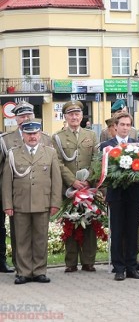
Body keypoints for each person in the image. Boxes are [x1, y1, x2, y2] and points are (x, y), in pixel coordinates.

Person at [2, 121, 62, 284]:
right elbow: (7, 182)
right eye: (29, 134)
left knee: (40, 238)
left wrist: (55, 202)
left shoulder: (49, 153)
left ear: (40, 134)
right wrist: (7, 204)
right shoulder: (13, 153)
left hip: (42, 201)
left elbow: (56, 180)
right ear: (24, 135)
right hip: (20, 203)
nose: (32, 137)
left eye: (35, 133)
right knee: (21, 239)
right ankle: (23, 272)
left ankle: (39, 271)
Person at [0, 101, 52, 273]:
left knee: (40, 236)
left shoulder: (45, 138)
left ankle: (38, 270)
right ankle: (21, 269)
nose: (25, 118)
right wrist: (6, 200)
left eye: (28, 115)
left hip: (40, 196)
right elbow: (4, 172)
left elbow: (53, 170)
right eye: (22, 116)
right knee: (19, 236)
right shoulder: (6, 140)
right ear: (16, 119)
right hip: (18, 196)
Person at [52, 101, 99, 273]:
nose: (74, 117)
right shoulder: (58, 137)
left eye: (77, 113)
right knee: (70, 223)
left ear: (81, 116)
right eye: (70, 114)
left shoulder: (91, 135)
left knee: (89, 223)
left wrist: (88, 181)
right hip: (69, 188)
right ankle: (70, 262)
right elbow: (57, 162)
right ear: (65, 117)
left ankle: (88, 261)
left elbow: (97, 159)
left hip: (88, 188)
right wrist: (73, 181)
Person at [100, 112, 139, 281]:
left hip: (134, 194)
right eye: (122, 125)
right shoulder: (107, 146)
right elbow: (102, 171)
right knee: (118, 231)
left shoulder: (138, 146)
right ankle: (118, 268)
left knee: (133, 231)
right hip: (116, 194)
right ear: (115, 126)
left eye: (128, 125)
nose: (125, 128)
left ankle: (132, 267)